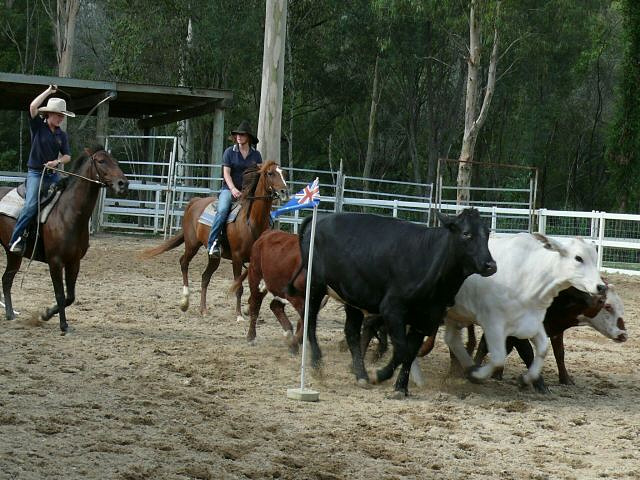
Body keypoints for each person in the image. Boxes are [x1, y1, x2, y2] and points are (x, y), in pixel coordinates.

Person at [8, 85, 75, 255]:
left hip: (53, 175)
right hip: (36, 173)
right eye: (58, 115)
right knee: (31, 205)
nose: (61, 119)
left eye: (62, 116)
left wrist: (57, 161)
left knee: (71, 196)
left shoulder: (62, 135)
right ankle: (16, 239)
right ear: (49, 114)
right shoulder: (38, 127)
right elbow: (32, 107)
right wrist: (49, 91)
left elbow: (68, 156)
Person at [207, 120, 263, 258]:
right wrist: (232, 189)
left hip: (249, 193)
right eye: (237, 134)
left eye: (242, 135)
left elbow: (260, 173)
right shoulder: (229, 152)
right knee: (223, 210)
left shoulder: (256, 155)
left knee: (264, 212)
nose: (239, 137)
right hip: (229, 190)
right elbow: (226, 173)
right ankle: (213, 243)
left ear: (248, 137)